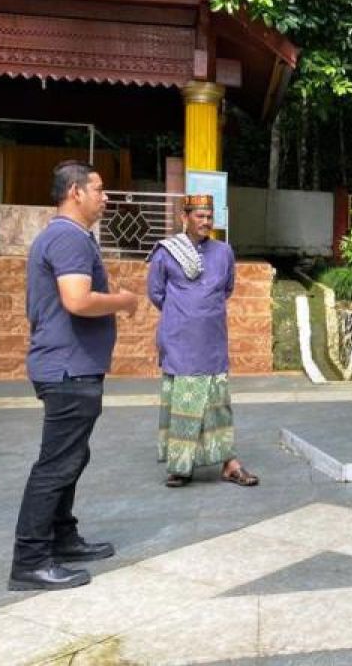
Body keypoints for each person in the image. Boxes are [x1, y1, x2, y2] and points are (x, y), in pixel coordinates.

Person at [9, 161, 139, 591]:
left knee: (71, 458)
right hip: (67, 369)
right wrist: (122, 300)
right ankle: (30, 560)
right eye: (99, 189)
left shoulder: (67, 236)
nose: (105, 197)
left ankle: (62, 538)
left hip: (71, 366)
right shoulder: (67, 237)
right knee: (56, 464)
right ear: (75, 192)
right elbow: (78, 301)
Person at [148, 195, 258, 488]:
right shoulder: (166, 252)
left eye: (209, 217)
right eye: (200, 216)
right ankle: (180, 466)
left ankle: (229, 463)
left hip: (212, 340)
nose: (206, 222)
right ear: (185, 217)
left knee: (217, 403)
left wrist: (202, 311)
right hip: (180, 339)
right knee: (183, 401)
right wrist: (184, 313)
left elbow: (227, 288)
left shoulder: (224, 252)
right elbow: (156, 293)